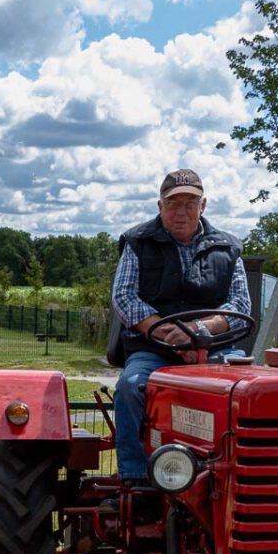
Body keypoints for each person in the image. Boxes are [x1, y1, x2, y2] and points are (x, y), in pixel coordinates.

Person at [109, 168, 251, 481]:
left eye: (190, 203)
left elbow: (240, 304)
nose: (181, 212)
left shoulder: (228, 248)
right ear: (160, 206)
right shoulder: (137, 242)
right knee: (130, 387)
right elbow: (124, 297)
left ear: (203, 205)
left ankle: (240, 476)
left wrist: (199, 332)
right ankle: (135, 477)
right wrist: (169, 335)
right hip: (153, 349)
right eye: (173, 204)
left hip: (215, 351)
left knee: (248, 392)